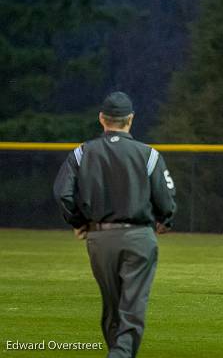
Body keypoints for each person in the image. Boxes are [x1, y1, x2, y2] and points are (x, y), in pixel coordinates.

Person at [53, 91, 176, 357]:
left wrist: (79, 222)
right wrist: (164, 220)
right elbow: (166, 199)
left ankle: (117, 352)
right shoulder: (149, 154)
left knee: (112, 308)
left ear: (102, 119)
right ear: (130, 119)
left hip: (100, 239)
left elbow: (62, 193)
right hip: (138, 238)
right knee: (131, 309)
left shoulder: (82, 153)